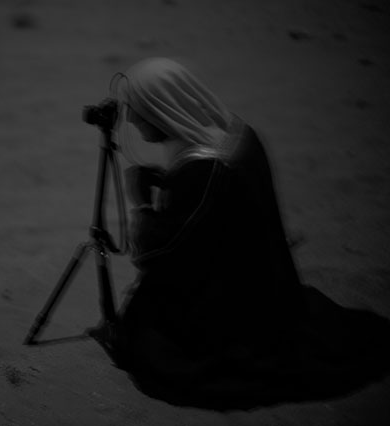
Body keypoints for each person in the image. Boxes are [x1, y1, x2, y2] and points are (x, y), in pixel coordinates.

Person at [98, 57, 390, 408]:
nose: (129, 119)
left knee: (149, 342)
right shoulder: (238, 132)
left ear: (163, 109)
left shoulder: (202, 171)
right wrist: (173, 188)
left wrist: (142, 204)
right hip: (267, 283)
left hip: (234, 312)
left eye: (139, 111)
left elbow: (156, 257)